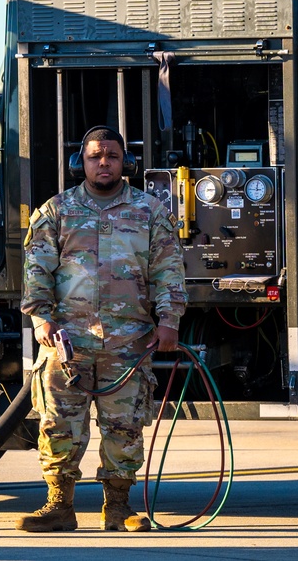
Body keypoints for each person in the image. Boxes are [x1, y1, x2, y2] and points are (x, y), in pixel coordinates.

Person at [17, 126, 187, 533]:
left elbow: (168, 270)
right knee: (59, 423)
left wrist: (169, 321)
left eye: (112, 155)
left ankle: (118, 509)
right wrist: (40, 318)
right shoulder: (57, 210)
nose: (104, 163)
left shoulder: (150, 211)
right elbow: (37, 267)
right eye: (95, 156)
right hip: (66, 342)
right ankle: (59, 506)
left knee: (124, 427)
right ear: (82, 162)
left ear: (125, 161)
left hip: (129, 342)